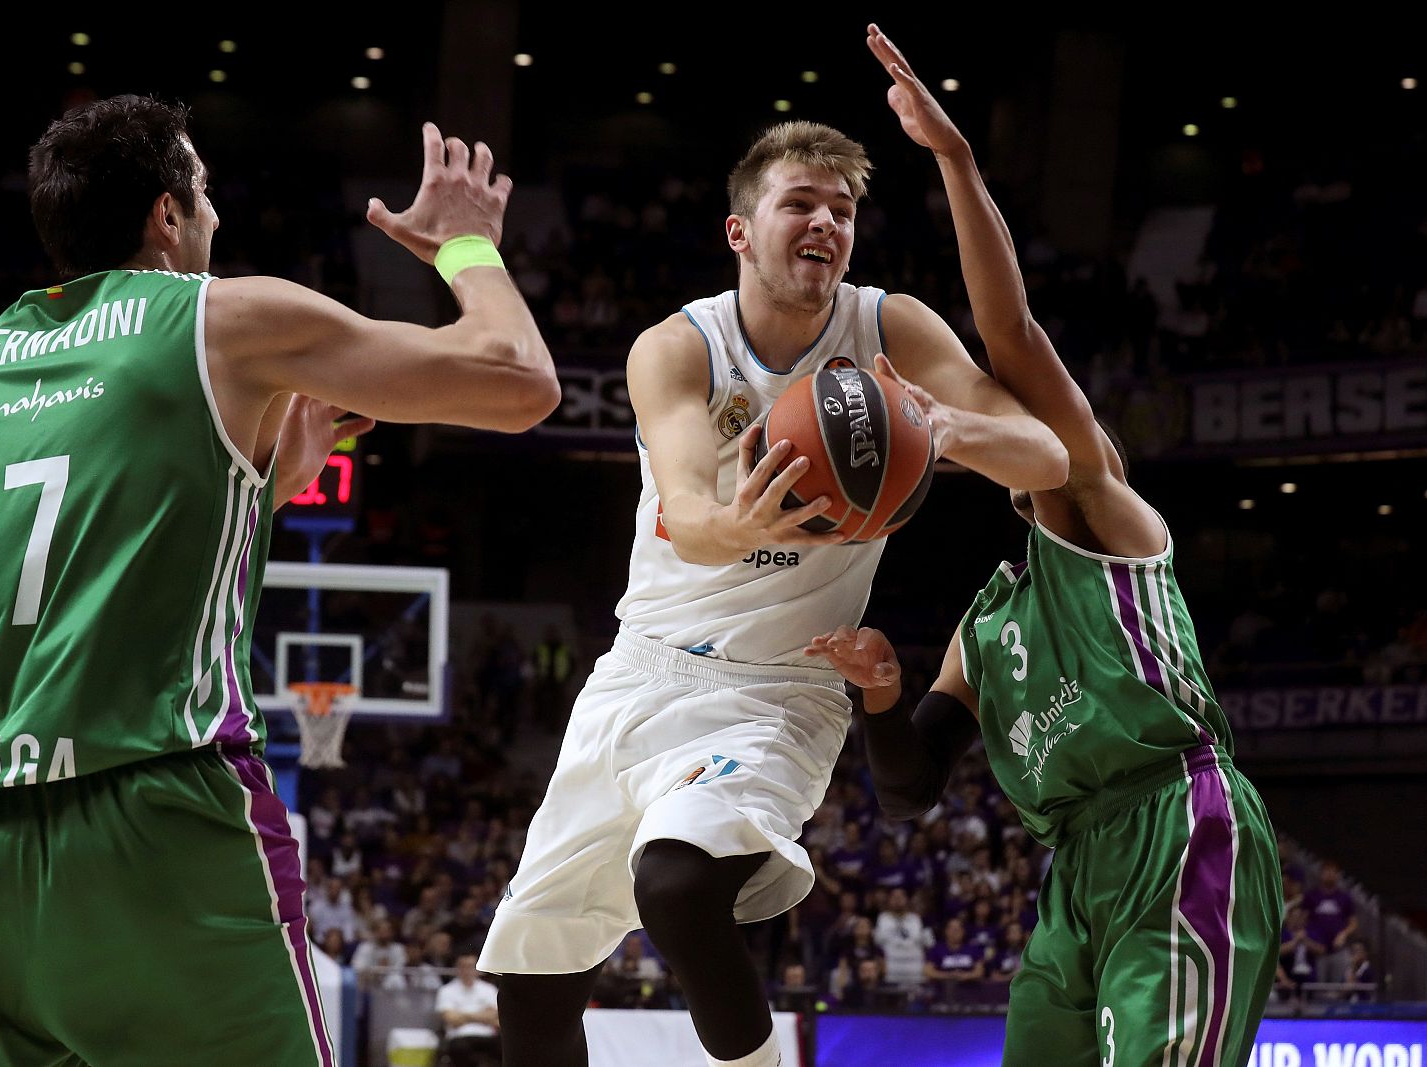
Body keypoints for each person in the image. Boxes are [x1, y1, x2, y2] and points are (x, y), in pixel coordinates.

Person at [0, 96, 557, 1067]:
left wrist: (271, 472)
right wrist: (465, 248)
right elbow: (516, 378)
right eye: (202, 192)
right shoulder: (224, 316)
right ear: (167, 213)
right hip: (158, 817)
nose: (213, 217)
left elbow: (117, 536)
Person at [481, 103, 1068, 1067]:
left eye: (842, 208)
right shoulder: (674, 348)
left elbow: (1047, 455)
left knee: (676, 884)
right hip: (642, 671)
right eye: (800, 203)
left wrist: (944, 428)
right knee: (533, 988)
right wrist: (744, 521)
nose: (826, 224)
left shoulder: (891, 329)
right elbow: (692, 514)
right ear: (741, 232)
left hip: (779, 687)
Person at [804, 26, 1280, 1067]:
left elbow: (1012, 335)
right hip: (1073, 875)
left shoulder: (1094, 505)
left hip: (1179, 822)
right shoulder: (982, 630)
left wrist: (956, 163)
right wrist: (879, 693)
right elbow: (909, 787)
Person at [435, 954, 501, 1067]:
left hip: (488, 1036)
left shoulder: (489, 989)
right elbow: (451, 1019)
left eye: (470, 966)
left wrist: (463, 1015)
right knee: (460, 1050)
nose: (467, 971)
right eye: (463, 966)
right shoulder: (446, 990)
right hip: (460, 1037)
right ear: (458, 968)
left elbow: (495, 1017)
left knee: (505, 1046)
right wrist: (483, 1015)